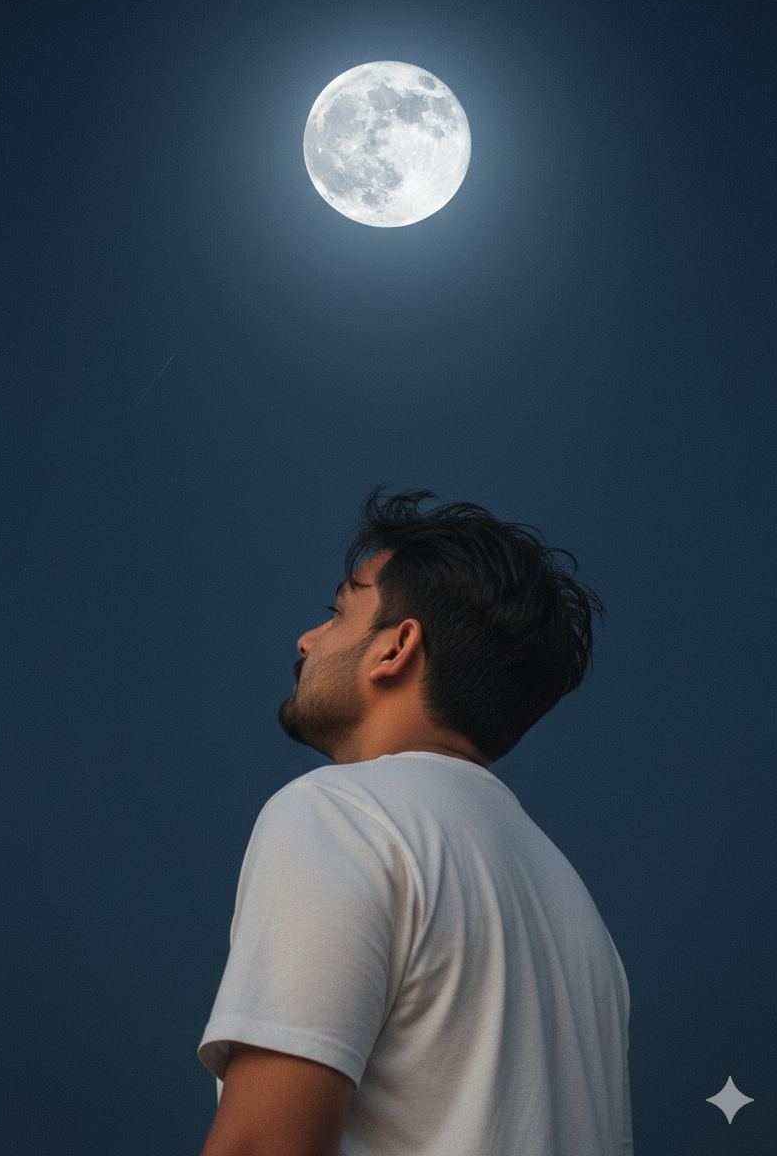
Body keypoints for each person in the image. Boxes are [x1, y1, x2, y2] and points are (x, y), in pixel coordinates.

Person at [198, 487, 633, 1156]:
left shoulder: (342, 816)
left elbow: (263, 1146)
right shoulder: (578, 916)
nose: (307, 639)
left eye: (337, 614)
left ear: (395, 648)